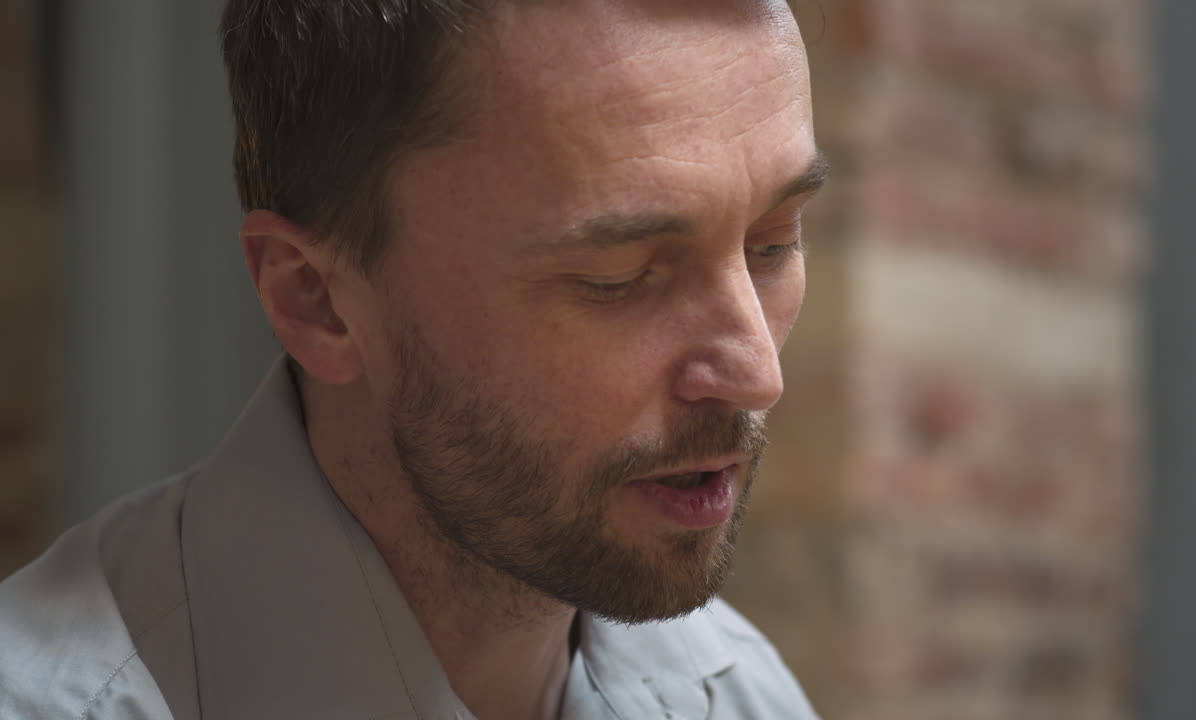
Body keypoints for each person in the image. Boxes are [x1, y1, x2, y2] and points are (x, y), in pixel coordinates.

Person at [0, 0, 828, 717]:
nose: (760, 374)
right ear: (317, 301)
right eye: (615, 279)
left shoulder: (743, 692)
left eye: (773, 244)